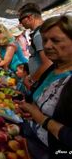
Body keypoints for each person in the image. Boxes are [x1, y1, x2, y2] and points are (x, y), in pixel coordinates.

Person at [18, 15, 72, 159]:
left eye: (55, 40)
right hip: (32, 141)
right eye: (45, 40)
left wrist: (41, 118)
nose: (47, 46)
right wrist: (30, 110)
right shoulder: (53, 69)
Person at [19, 3, 53, 86]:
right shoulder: (42, 31)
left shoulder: (38, 35)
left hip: (43, 82)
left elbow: (48, 62)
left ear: (29, 18)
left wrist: (32, 80)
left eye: (20, 20)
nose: (20, 24)